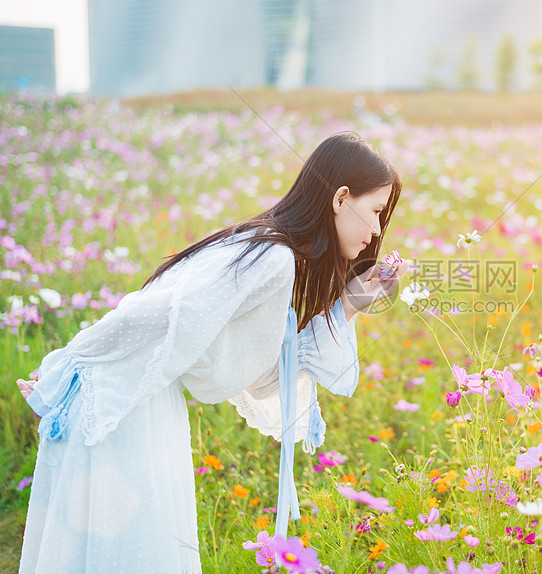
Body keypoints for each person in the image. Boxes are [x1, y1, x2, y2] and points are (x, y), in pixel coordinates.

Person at [15, 132, 404, 573]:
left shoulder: (269, 250)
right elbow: (156, 313)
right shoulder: (272, 259)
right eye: (375, 212)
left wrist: (349, 304)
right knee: (132, 553)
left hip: (137, 397)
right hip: (122, 403)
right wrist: (70, 367)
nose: (376, 232)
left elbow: (263, 374)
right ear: (340, 198)